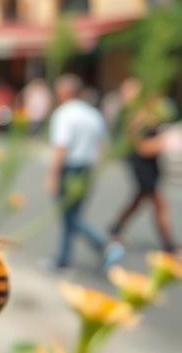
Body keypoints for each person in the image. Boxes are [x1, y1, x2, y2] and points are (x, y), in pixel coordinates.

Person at [106, 90, 178, 264]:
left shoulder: (153, 120)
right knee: (160, 206)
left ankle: (115, 229)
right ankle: (170, 246)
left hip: (151, 168)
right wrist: (162, 141)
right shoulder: (139, 119)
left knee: (137, 201)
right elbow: (142, 147)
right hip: (143, 168)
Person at [46, 74, 107, 269]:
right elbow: (103, 146)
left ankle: (101, 244)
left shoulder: (64, 114)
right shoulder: (93, 114)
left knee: (69, 217)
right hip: (87, 168)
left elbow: (61, 147)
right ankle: (64, 258)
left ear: (65, 92)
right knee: (72, 216)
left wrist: (53, 175)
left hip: (70, 169)